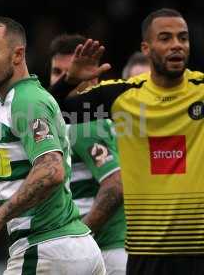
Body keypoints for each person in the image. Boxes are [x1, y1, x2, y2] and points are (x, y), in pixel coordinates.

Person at [49, 8, 204, 275]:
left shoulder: (201, 90)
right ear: (146, 47)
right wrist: (69, 81)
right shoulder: (123, 95)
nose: (176, 44)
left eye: (183, 38)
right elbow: (53, 113)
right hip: (145, 252)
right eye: (165, 38)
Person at [0, 17, 105, 274]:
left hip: (47, 248)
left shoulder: (27, 101)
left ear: (17, 55)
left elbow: (51, 170)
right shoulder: (6, 105)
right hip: (68, 249)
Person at [49, 34, 127, 275]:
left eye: (72, 71)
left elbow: (115, 185)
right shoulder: (64, 125)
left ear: (92, 78)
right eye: (57, 72)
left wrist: (78, 238)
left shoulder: (84, 125)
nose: (66, 79)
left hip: (105, 253)